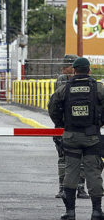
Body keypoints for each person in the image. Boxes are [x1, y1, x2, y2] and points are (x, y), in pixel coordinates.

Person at [48, 57, 104, 220]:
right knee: (93, 172)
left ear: (73, 71)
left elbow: (52, 107)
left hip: (71, 136)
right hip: (91, 136)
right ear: (89, 71)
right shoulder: (98, 88)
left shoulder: (65, 88)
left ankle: (70, 212)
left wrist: (61, 123)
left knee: (70, 171)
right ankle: (96, 211)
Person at [53, 54, 89, 199]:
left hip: (81, 125)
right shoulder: (62, 81)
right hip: (65, 124)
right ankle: (62, 187)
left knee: (83, 158)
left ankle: (80, 187)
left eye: (66, 66)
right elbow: (55, 104)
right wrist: (58, 123)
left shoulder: (88, 82)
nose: (64, 69)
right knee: (63, 157)